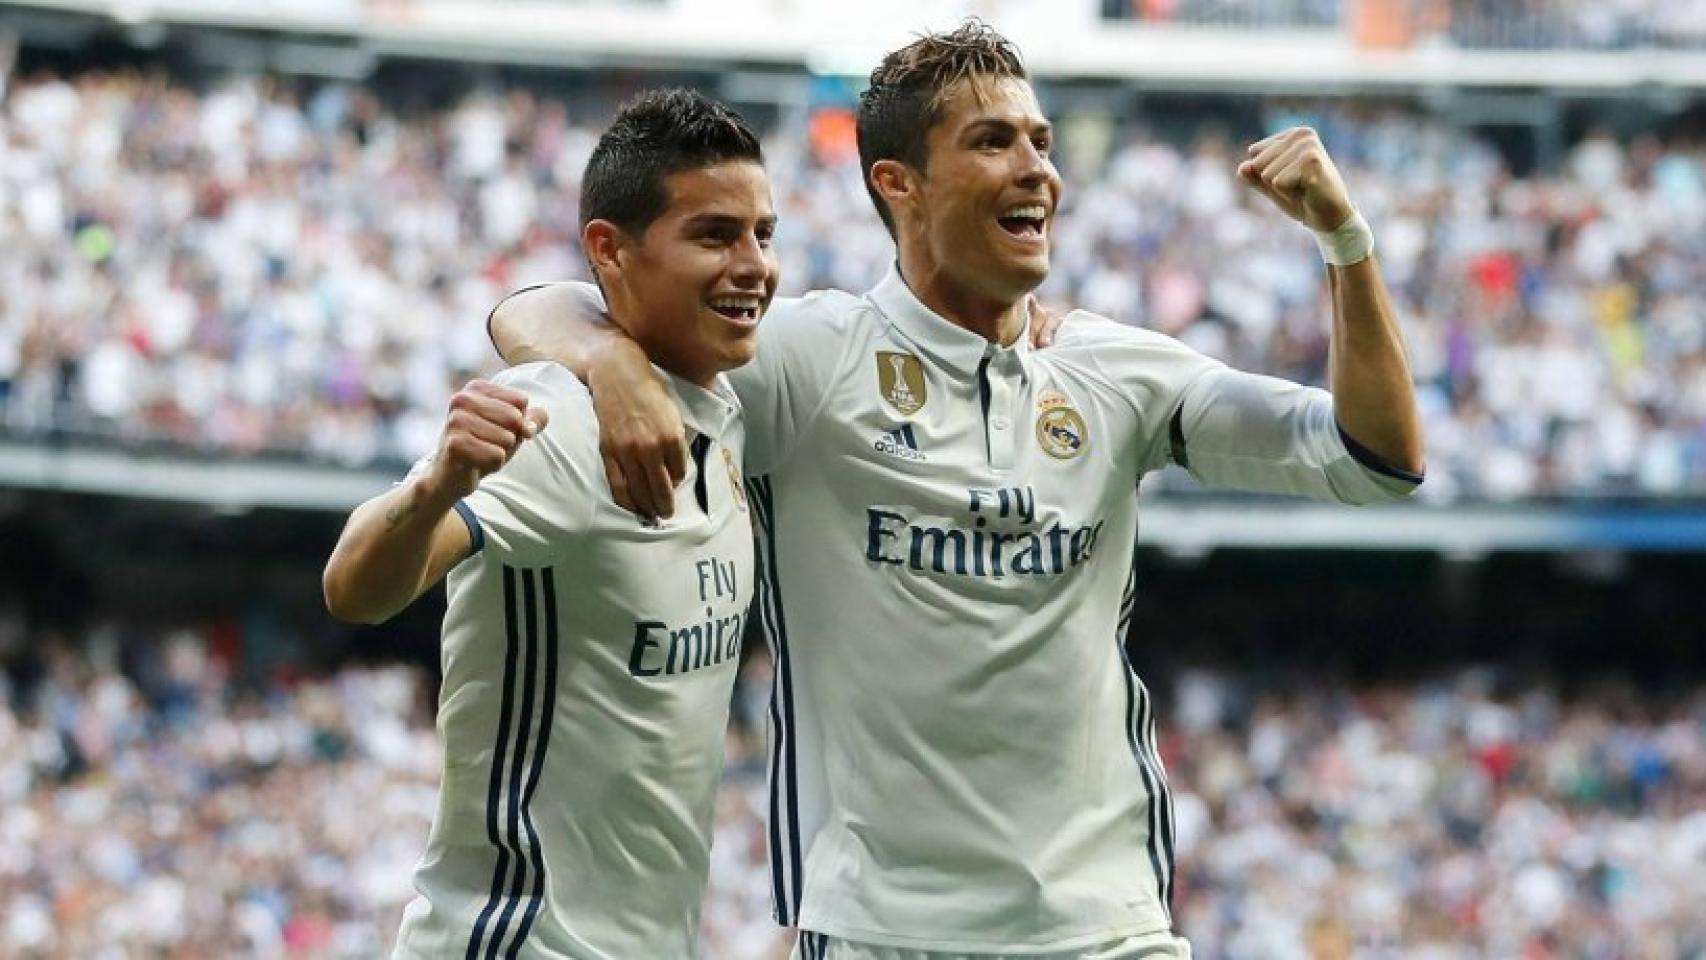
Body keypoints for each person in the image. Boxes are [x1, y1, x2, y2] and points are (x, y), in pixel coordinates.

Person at [488, 21, 1424, 960]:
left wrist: (1346, 240)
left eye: (1042, 143)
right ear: (900, 184)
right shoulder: (811, 361)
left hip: (1105, 930)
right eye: (993, 141)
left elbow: (1374, 460)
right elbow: (539, 308)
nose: (1038, 171)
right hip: (882, 930)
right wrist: (613, 367)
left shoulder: (1112, 371)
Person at [322, 88, 777, 958]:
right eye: (715, 235)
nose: (754, 263)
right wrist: (435, 488)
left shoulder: (727, 402)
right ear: (611, 251)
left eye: (764, 233)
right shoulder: (562, 422)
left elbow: (535, 304)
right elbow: (353, 587)